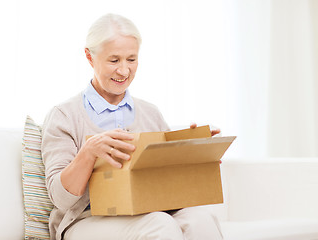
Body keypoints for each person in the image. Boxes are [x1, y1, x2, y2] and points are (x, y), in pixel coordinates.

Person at [41, 13, 223, 240]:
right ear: (89, 57)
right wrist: (88, 153)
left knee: (201, 220)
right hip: (86, 220)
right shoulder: (64, 116)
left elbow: (170, 181)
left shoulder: (150, 112)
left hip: (149, 210)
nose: (124, 71)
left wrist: (198, 154)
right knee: (159, 224)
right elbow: (60, 198)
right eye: (114, 60)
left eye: (131, 59)